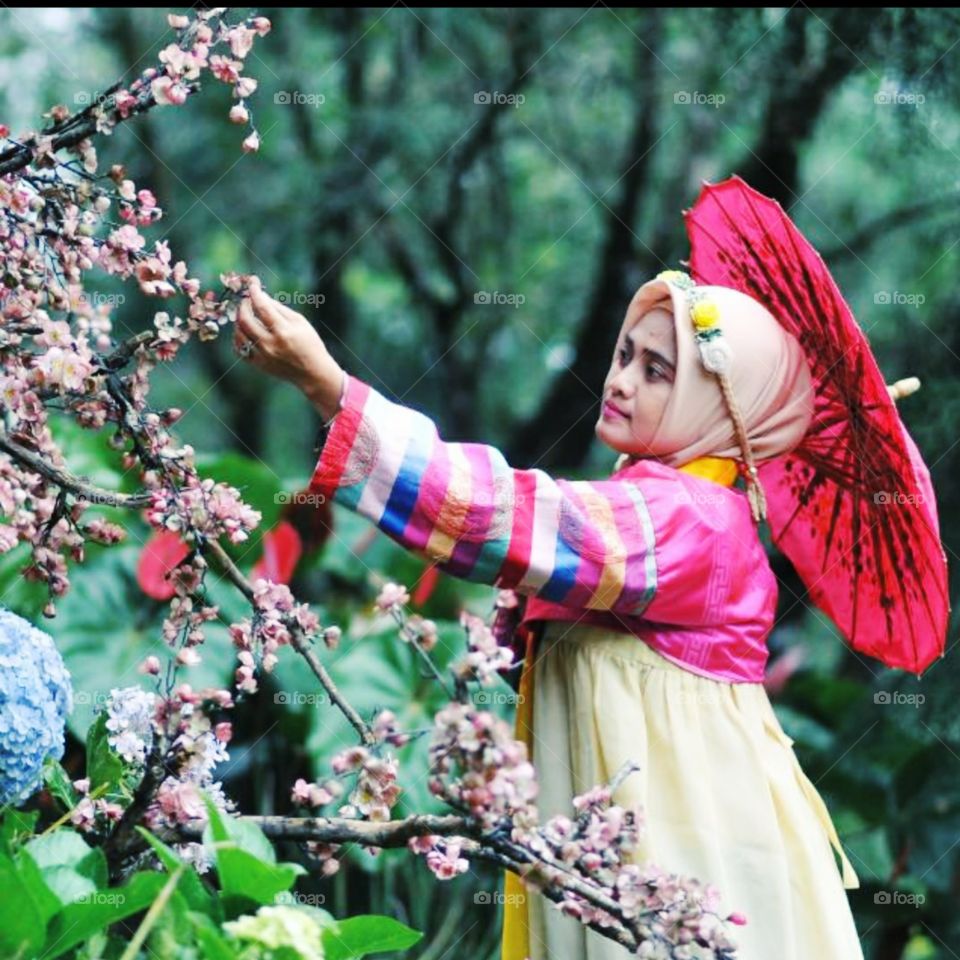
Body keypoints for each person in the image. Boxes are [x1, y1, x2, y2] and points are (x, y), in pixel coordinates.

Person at [233, 270, 866, 959]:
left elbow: (499, 516)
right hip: (655, 840)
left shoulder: (692, 518)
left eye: (658, 372)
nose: (620, 381)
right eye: (625, 355)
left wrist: (330, 386)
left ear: (720, 407)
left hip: (691, 839)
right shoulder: (662, 504)